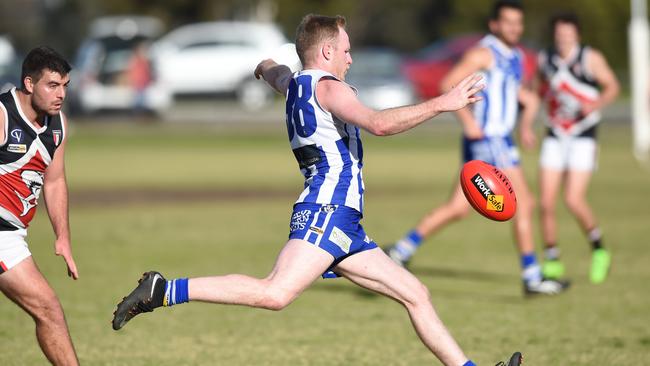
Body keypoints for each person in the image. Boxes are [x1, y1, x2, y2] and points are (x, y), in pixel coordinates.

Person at [112, 14, 522, 366]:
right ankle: (164, 290)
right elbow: (378, 124)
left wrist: (264, 64)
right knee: (275, 293)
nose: (350, 57)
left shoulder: (293, 83)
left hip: (344, 220)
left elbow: (273, 70)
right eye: (345, 49)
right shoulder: (329, 88)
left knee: (415, 292)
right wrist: (441, 104)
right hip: (328, 210)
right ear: (325, 53)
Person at [385, 0, 569, 295]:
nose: (514, 28)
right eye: (508, 22)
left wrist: (525, 124)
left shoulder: (515, 56)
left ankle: (401, 250)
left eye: (518, 23)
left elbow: (518, 93)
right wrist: (469, 122)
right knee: (525, 203)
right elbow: (448, 83)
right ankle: (532, 277)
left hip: (500, 140)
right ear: (494, 25)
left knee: (458, 207)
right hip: (489, 140)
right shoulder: (483, 53)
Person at [0, 46, 79, 365]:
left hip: (12, 236)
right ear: (29, 83)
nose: (60, 94)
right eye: (52, 85)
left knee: (49, 311)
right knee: (48, 309)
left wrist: (63, 238)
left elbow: (55, 181)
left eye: (65, 86)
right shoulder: (3, 114)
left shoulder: (57, 124)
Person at [536, 13, 619, 284]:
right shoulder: (544, 59)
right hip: (555, 133)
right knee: (546, 202)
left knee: (573, 199)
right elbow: (538, 91)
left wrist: (594, 105)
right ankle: (552, 260)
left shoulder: (589, 58)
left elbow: (612, 87)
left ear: (577, 35)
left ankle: (599, 250)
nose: (563, 40)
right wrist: (526, 123)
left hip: (583, 134)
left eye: (568, 35)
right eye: (559, 35)